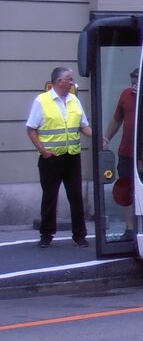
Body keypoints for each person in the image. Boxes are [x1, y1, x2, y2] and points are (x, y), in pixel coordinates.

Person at [26, 66, 93, 248]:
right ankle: (46, 235)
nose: (72, 82)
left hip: (72, 156)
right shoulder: (42, 101)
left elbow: (83, 126)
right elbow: (31, 129)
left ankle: (79, 235)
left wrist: (97, 137)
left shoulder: (74, 100)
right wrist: (43, 151)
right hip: (51, 158)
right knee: (50, 196)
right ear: (59, 81)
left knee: (76, 196)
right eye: (70, 79)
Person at [101, 68, 143, 237]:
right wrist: (106, 138)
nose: (134, 86)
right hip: (126, 151)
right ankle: (130, 228)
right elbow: (117, 118)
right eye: (132, 82)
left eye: (137, 82)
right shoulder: (125, 94)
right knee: (125, 190)